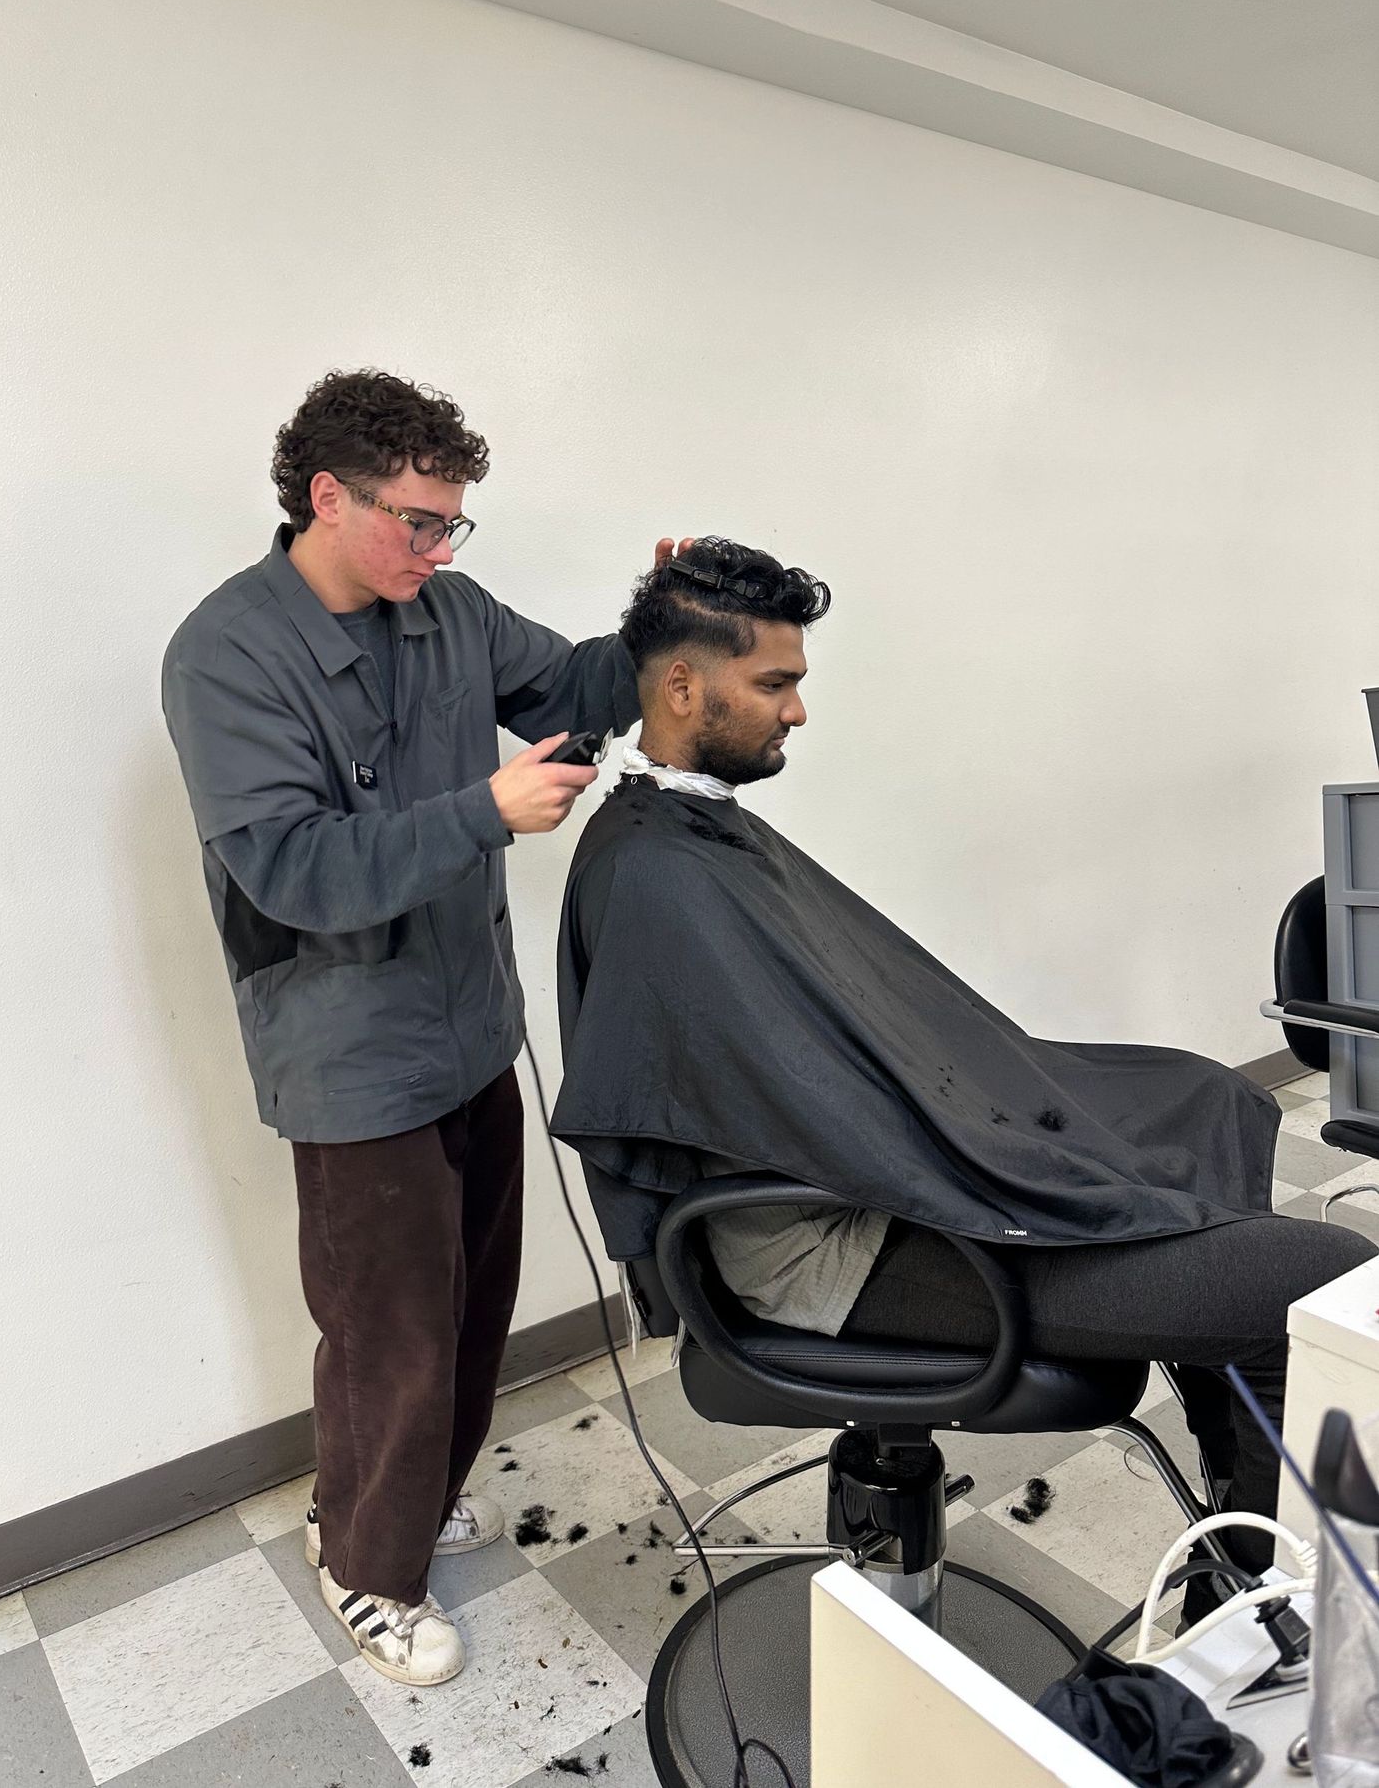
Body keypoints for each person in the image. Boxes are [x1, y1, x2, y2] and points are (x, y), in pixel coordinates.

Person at [552, 537, 1375, 1597]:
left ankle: (1237, 1473)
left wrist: (1001, 1110)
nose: (796, 711)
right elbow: (809, 1106)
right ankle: (1257, 1596)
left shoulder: (687, 828)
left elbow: (844, 1058)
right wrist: (1004, 1146)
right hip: (828, 1248)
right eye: (775, 684)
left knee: (1201, 1092)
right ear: (679, 683)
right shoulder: (657, 875)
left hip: (873, 1181)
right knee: (1315, 1280)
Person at [163, 369, 686, 1686]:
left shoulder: (444, 609)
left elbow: (572, 683)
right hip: (347, 1051)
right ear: (327, 496)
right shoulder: (227, 652)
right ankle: (365, 1563)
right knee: (386, 1323)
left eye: (455, 523)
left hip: (465, 1021)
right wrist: (477, 814)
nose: (439, 547)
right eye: (416, 520)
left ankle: (394, 1492)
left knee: (467, 1302)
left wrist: (659, 629)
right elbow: (287, 867)